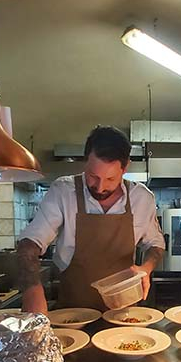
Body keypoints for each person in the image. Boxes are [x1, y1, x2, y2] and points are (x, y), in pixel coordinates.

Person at [17, 126, 165, 313]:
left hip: (123, 317)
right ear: (86, 161)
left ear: (125, 168)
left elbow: (156, 244)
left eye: (110, 179)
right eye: (93, 176)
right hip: (72, 317)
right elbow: (28, 244)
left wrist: (147, 267)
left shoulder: (142, 199)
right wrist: (32, 290)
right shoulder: (63, 191)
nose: (100, 187)